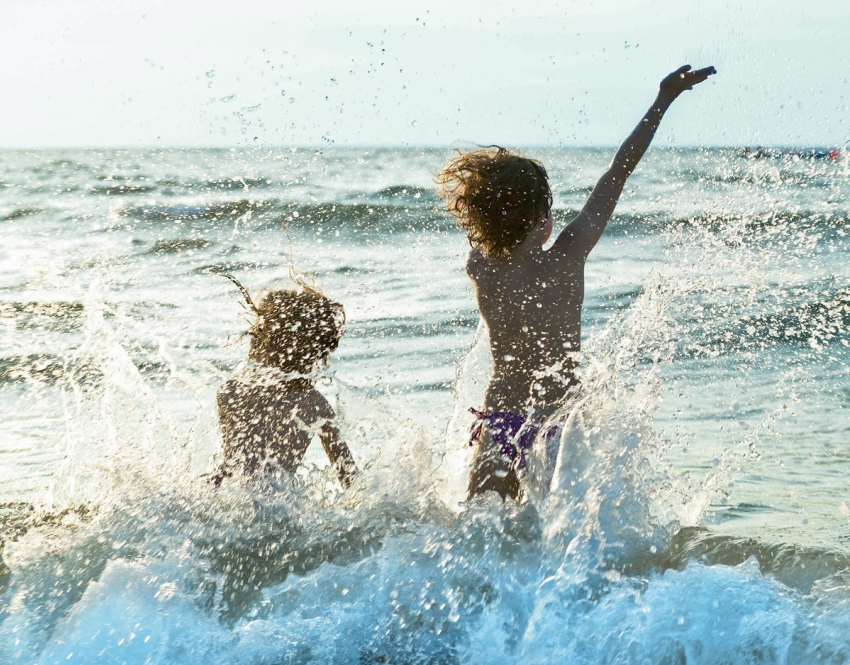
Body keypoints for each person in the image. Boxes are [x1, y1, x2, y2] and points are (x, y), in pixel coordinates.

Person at [438, 65, 716, 500]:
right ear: (544, 221)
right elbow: (617, 174)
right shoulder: (567, 259)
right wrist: (663, 100)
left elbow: (485, 217)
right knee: (558, 533)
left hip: (502, 421)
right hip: (559, 426)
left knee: (479, 528)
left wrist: (490, 209)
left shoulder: (482, 269)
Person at [212, 275, 357, 487]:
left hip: (226, 492)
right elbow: (349, 478)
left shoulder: (231, 391)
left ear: (261, 342)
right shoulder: (315, 405)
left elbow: (230, 466)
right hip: (277, 501)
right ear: (314, 353)